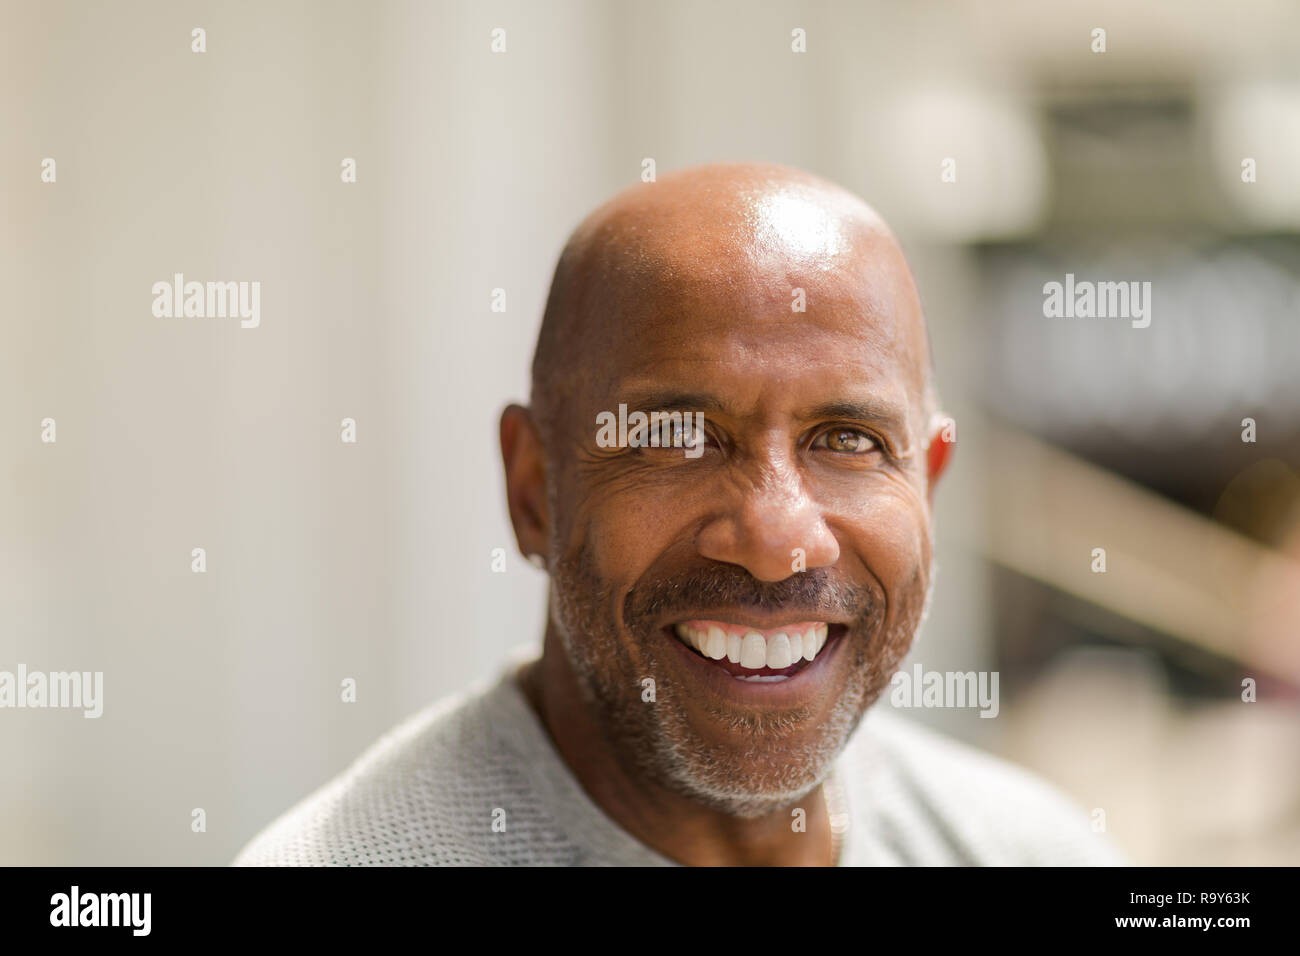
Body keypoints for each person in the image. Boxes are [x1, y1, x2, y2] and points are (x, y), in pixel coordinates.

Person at [234, 162, 1123, 866]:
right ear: (534, 490)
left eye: (847, 440)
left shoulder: (1035, 850)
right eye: (676, 438)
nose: (778, 541)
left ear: (925, 485)